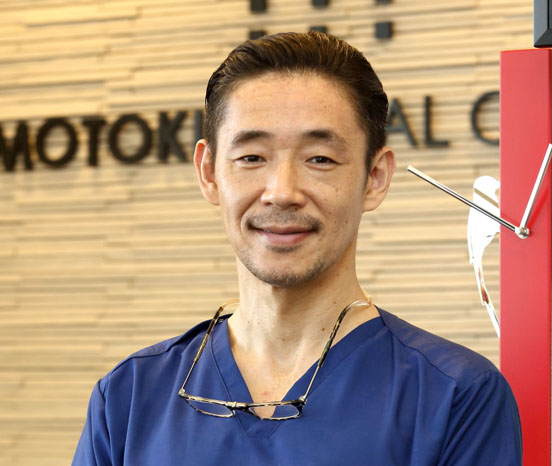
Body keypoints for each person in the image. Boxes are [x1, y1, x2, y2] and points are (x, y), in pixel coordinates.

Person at [73, 31, 522, 465]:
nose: (282, 192)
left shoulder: (455, 396)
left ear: (375, 178)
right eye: (252, 157)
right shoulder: (130, 396)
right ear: (209, 172)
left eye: (320, 159)